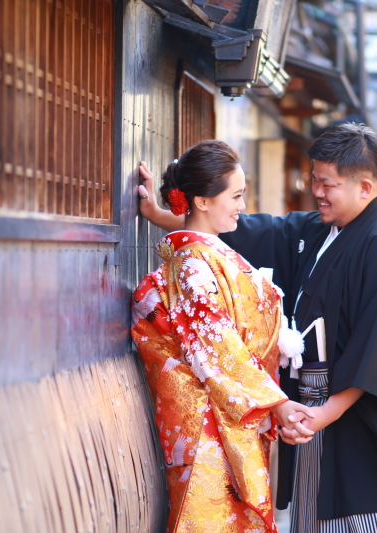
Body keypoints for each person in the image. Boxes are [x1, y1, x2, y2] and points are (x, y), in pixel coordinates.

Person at [137, 123, 377, 532]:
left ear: (365, 187)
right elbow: (256, 232)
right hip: (310, 411)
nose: (316, 191)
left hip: (352, 421)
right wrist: (165, 214)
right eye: (314, 179)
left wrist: (322, 414)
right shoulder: (325, 229)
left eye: (327, 184)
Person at [131, 140, 317, 533]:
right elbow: (218, 348)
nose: (241, 206)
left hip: (227, 414)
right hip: (207, 425)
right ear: (201, 201)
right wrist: (277, 403)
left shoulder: (207, 254)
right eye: (235, 196)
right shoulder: (193, 264)